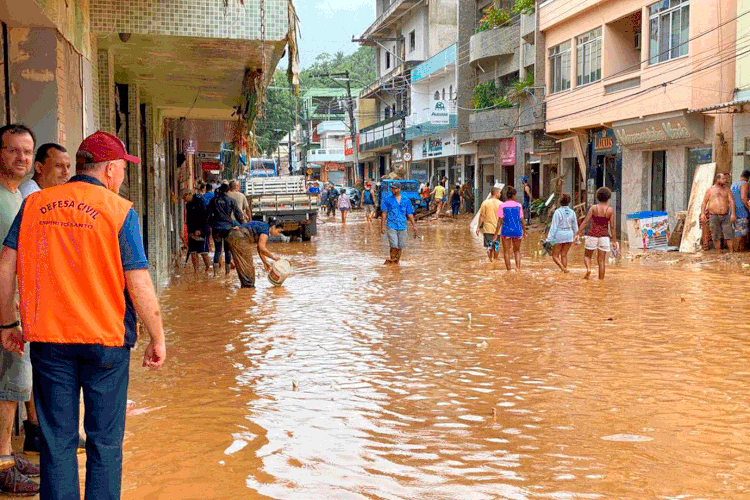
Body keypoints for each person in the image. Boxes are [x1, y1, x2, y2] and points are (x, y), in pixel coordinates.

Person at [0, 130, 166, 499]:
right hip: (106, 342)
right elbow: (138, 282)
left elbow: (5, 265)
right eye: (123, 169)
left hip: (49, 340)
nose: (122, 177)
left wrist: (8, 323)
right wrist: (158, 336)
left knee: (57, 442)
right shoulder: (119, 211)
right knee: (104, 443)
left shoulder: (34, 204)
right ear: (109, 171)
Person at [17, 142, 73, 457]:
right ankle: (35, 436)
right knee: (25, 371)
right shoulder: (30, 198)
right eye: (59, 166)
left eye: (69, 166)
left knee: (32, 370)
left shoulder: (43, 197)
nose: (66, 172)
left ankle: (37, 434)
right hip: (26, 299)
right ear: (39, 167)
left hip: (41, 298)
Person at [0, 124, 39, 495]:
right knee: (9, 387)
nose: (22, 158)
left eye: (27, 151)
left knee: (13, 386)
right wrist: (7, 318)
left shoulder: (19, 197)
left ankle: (9, 454)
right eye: (13, 150)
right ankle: (3, 465)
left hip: (17, 310)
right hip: (5, 314)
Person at [575, 186, 618, 279]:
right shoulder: (610, 210)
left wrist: (577, 233)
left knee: (587, 256)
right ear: (608, 197)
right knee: (601, 261)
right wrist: (614, 241)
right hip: (604, 237)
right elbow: (612, 227)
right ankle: (601, 282)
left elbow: (585, 222)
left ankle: (588, 269)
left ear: (597, 197)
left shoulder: (593, 208)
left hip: (592, 235)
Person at [225, 219, 283, 287]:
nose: (278, 234)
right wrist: (274, 257)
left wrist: (265, 262)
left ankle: (245, 287)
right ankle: (248, 288)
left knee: (243, 264)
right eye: (278, 231)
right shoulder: (265, 231)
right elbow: (262, 248)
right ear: (273, 227)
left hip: (233, 236)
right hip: (240, 237)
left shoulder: (264, 227)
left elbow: (259, 248)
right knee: (247, 266)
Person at [208, 182, 245, 275]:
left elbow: (207, 215)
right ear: (228, 190)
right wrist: (243, 224)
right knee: (227, 250)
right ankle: (227, 274)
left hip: (216, 227)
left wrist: (212, 225)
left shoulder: (213, 200)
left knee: (217, 250)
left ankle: (215, 274)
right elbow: (238, 215)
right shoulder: (231, 200)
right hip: (228, 228)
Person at [380, 182, 418, 265]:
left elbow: (410, 214)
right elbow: (384, 213)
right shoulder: (387, 199)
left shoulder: (406, 199)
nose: (393, 190)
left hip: (402, 225)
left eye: (395, 188)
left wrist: (414, 226)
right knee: (394, 244)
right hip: (391, 225)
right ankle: (392, 260)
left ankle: (396, 262)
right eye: (392, 188)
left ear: (399, 189)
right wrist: (382, 226)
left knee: (401, 246)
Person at [700, 173, 736, 253]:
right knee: (715, 235)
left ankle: (731, 252)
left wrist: (733, 214)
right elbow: (704, 203)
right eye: (723, 179)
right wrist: (702, 213)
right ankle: (718, 252)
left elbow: (731, 202)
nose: (725, 180)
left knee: (729, 234)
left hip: (725, 215)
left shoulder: (727, 190)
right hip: (714, 215)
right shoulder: (710, 190)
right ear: (718, 179)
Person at [492, 186, 525, 271]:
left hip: (506, 231)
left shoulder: (502, 206)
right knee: (517, 251)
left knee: (506, 251)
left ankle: (509, 270)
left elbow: (499, 221)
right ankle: (518, 268)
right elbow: (522, 220)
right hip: (517, 231)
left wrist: (496, 234)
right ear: (514, 195)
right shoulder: (519, 206)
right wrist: (524, 231)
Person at [547, 193, 578, 273]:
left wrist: (549, 239)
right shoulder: (572, 212)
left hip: (559, 235)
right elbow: (575, 227)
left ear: (560, 201)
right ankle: (564, 271)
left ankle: (563, 269)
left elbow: (554, 227)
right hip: (569, 236)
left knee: (555, 255)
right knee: (564, 255)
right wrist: (577, 239)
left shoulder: (557, 212)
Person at [183, 188, 211, 273]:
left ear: (188, 194)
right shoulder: (188, 204)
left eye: (184, 197)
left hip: (201, 230)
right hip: (191, 231)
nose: (184, 200)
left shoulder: (199, 200)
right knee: (193, 251)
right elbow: (189, 218)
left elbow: (204, 216)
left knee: (203, 251)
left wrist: (199, 229)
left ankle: (208, 269)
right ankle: (196, 271)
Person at [476, 186, 502, 262]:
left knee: (489, 246)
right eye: (499, 193)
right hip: (498, 230)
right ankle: (495, 260)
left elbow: (482, 216)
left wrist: (478, 227)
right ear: (496, 193)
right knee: (496, 246)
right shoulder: (501, 204)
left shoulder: (485, 203)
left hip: (487, 229)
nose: (500, 194)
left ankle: (491, 260)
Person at [730, 170, 750, 252]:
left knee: (737, 232)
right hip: (742, 211)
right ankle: (738, 252)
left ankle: (735, 252)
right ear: (748, 178)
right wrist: (749, 208)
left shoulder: (733, 184)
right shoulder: (744, 184)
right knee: (741, 233)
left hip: (733, 211)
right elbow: (743, 198)